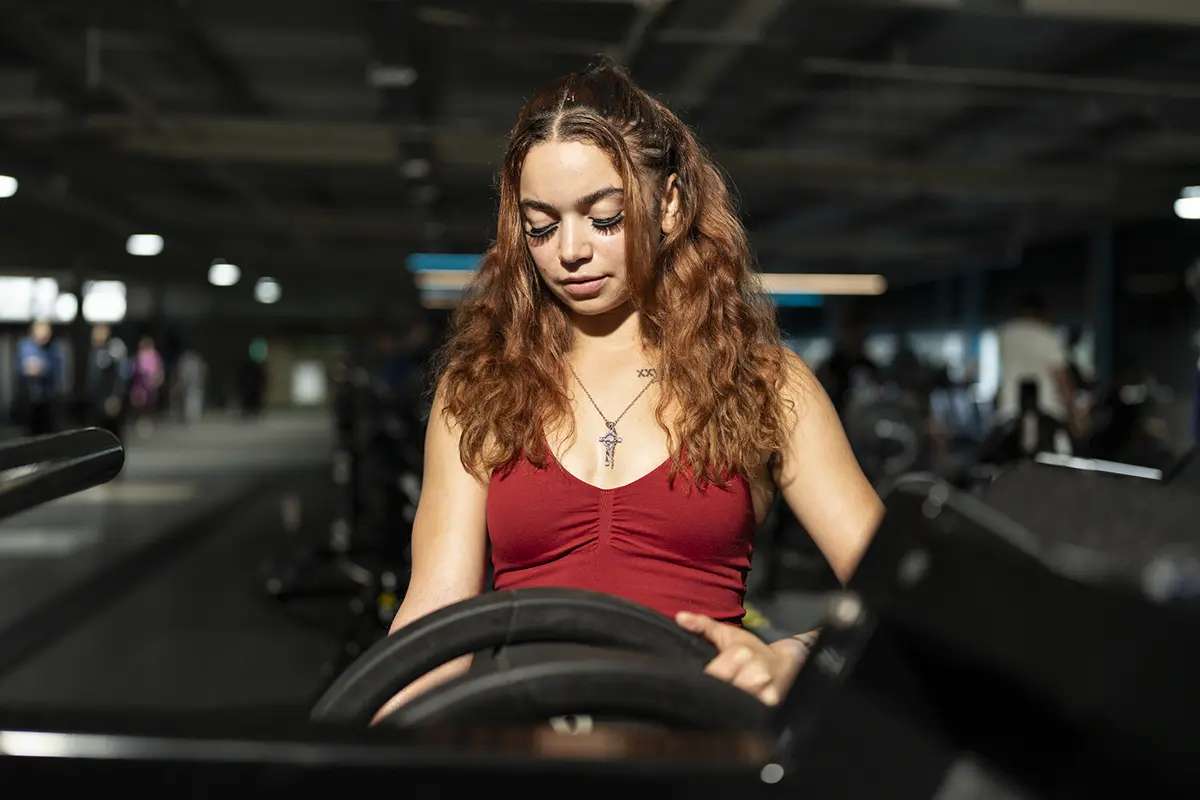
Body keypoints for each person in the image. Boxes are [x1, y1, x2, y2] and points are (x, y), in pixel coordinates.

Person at [372, 60, 882, 722]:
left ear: (668, 204)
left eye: (604, 217)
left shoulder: (764, 383)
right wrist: (370, 755)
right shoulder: (478, 390)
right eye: (542, 225)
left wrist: (791, 657)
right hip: (522, 746)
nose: (570, 251)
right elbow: (436, 616)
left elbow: (903, 600)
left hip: (697, 745)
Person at [994, 294, 1083, 438]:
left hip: (1009, 413)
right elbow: (1062, 380)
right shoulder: (1050, 336)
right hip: (1047, 413)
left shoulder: (1004, 334)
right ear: (1042, 312)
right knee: (1058, 457)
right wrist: (1074, 418)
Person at [15, 321, 65, 437]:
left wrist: (42, 367)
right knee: (29, 433)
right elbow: (22, 367)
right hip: (29, 399)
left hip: (48, 399)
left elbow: (55, 369)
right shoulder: (25, 345)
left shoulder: (53, 348)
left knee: (48, 432)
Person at [83, 324, 129, 441]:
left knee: (113, 436)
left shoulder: (115, 350)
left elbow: (121, 376)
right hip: (96, 403)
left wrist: (116, 397)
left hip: (110, 402)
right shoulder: (95, 351)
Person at [129, 336, 164, 433]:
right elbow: (133, 371)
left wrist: (157, 380)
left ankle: (146, 421)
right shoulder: (138, 357)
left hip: (149, 386)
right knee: (141, 405)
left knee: (148, 405)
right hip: (140, 386)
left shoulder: (154, 356)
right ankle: (142, 421)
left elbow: (159, 371)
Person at [174, 348, 207, 425]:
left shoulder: (196, 361)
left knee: (194, 400)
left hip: (196, 384)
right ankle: (190, 416)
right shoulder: (184, 361)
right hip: (188, 384)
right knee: (188, 400)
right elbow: (181, 374)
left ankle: (194, 416)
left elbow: (202, 372)